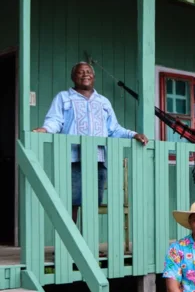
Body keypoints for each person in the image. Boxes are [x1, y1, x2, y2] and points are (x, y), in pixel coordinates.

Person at [33, 62, 148, 220]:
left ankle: (87, 244)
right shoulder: (64, 98)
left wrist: (134, 134)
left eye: (88, 71)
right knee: (71, 203)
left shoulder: (103, 102)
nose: (85, 74)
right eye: (80, 72)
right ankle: (70, 244)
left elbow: (114, 129)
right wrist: (45, 129)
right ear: (73, 77)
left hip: (98, 160)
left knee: (92, 204)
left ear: (93, 77)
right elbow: (55, 120)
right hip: (73, 159)